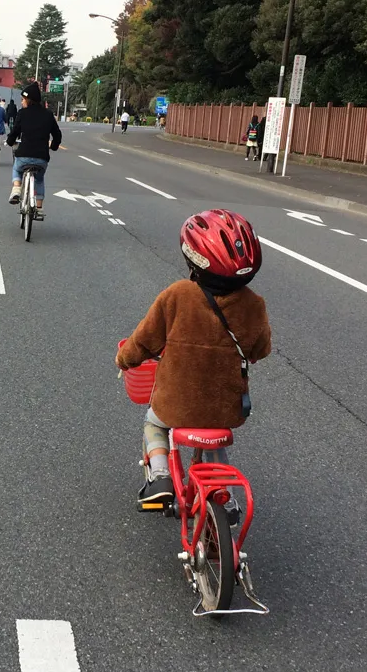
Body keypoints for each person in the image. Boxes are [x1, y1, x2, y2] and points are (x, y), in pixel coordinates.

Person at [116, 209, 272, 505]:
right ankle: (222, 491)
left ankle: (160, 476)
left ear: (194, 261)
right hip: (226, 410)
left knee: (154, 424)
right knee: (214, 435)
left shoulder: (177, 295)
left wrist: (124, 360)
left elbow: (144, 341)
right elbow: (260, 350)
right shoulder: (254, 305)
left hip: (175, 404)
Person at [5, 83, 61, 219]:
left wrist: (10, 142)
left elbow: (14, 132)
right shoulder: (48, 115)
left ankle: (17, 188)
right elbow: (57, 135)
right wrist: (53, 146)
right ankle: (39, 207)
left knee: (17, 169)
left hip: (24, 155)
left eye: (23, 99)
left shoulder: (22, 113)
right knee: (39, 179)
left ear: (29, 100)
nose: (22, 102)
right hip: (42, 157)